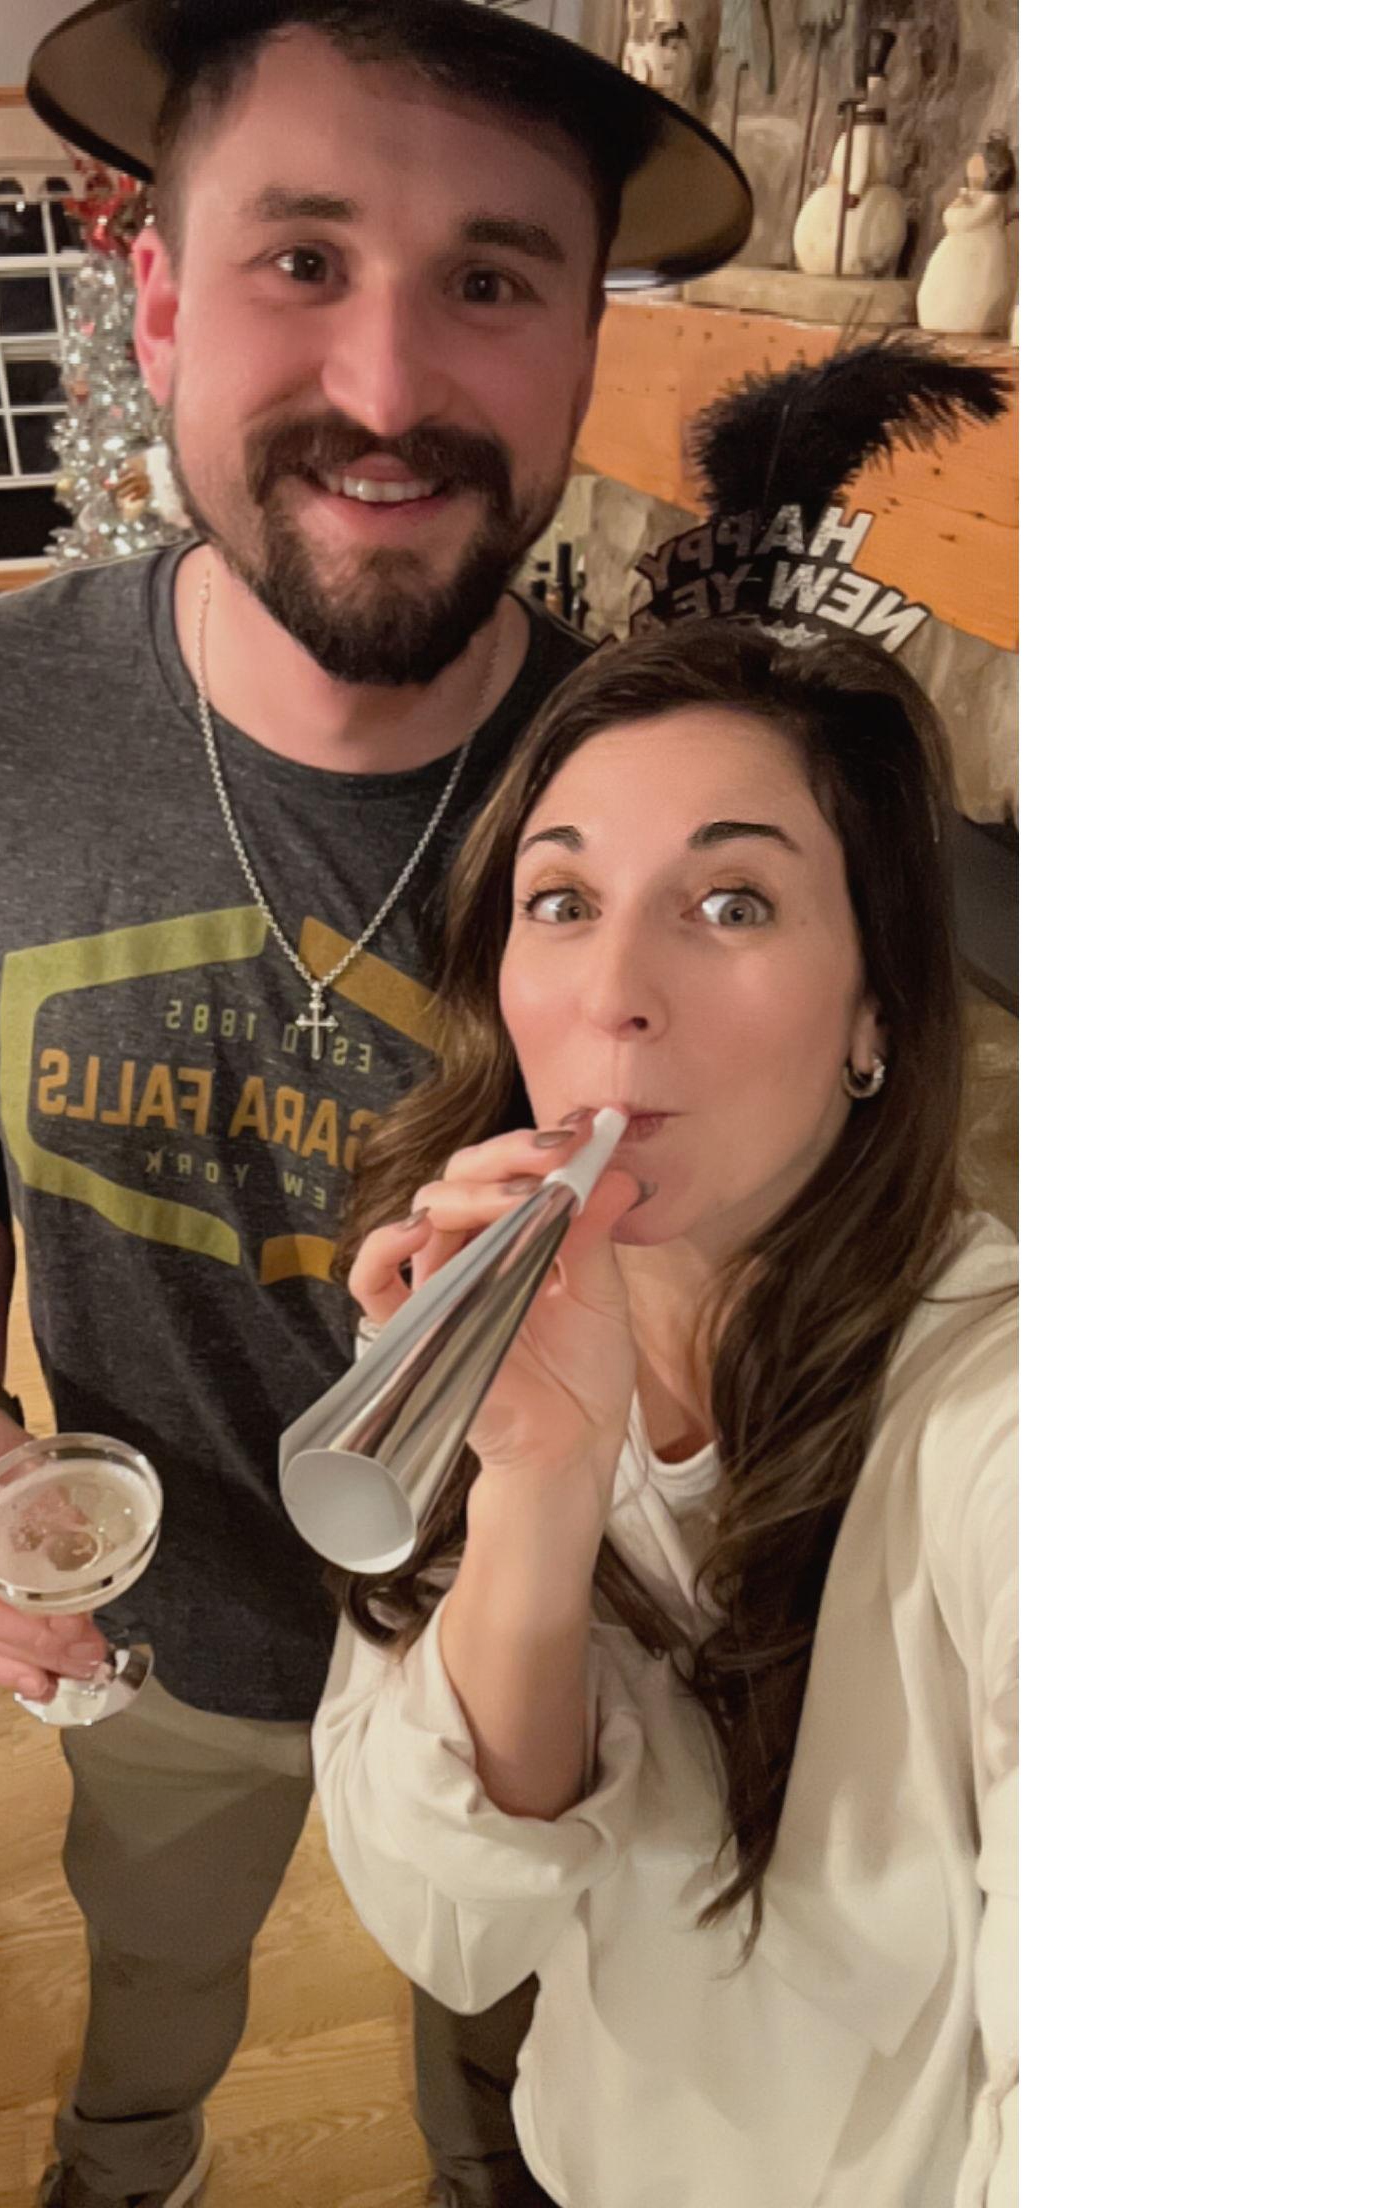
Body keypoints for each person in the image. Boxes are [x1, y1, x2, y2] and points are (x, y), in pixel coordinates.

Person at [0, 6, 748, 2205]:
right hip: (161, 1629)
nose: (390, 385)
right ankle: (126, 2162)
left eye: (493, 279)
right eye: (301, 259)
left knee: (507, 2046)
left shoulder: (693, 809)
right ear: (156, 297)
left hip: (548, 1656)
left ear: (584, 350)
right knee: (155, 1973)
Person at [314, 620, 1019, 2207]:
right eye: (562, 902)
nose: (615, 994)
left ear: (876, 1012)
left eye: (732, 902)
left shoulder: (1003, 1409)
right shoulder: (467, 1327)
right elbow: (447, 1930)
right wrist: (540, 1486)